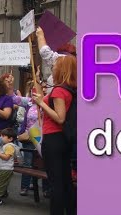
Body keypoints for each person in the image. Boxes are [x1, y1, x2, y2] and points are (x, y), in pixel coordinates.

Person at [31, 55, 77, 215]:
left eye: (56, 65)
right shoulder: (69, 88)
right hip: (62, 140)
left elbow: (60, 117)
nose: (53, 67)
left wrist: (42, 104)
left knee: (56, 183)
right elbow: (41, 97)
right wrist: (37, 80)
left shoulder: (59, 91)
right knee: (65, 181)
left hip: (53, 138)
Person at [0, 128, 18, 205]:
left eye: (3, 136)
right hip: (2, 168)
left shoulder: (9, 146)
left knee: (1, 183)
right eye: (1, 135)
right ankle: (1, 194)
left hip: (6, 168)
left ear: (10, 139)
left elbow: (6, 157)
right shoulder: (3, 145)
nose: (0, 137)